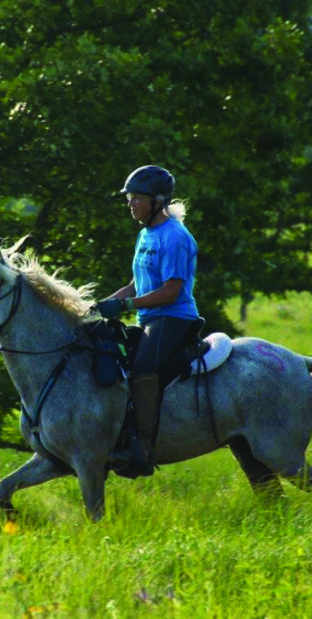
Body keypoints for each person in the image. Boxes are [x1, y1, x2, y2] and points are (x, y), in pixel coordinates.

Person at [94, 165, 199, 477]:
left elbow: (170, 292)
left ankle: (143, 447)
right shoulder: (145, 234)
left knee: (141, 367)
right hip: (150, 317)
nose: (131, 204)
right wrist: (98, 307)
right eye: (129, 198)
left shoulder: (176, 237)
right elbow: (137, 284)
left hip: (173, 318)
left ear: (158, 201)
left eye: (138, 198)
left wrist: (125, 305)